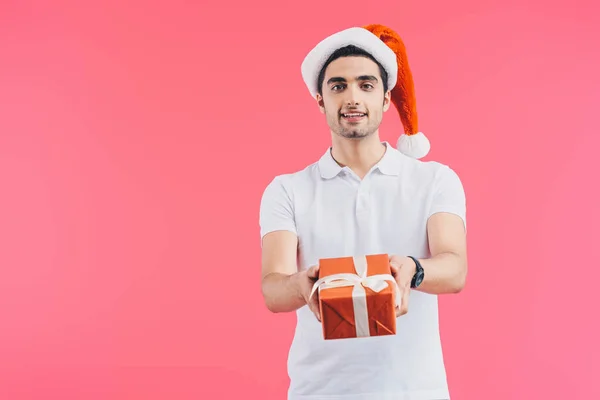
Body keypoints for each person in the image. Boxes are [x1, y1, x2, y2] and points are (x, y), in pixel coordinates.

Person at [259, 23, 468, 400]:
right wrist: (300, 284)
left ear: (387, 99)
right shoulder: (286, 190)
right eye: (338, 86)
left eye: (366, 85)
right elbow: (273, 288)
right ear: (320, 99)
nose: (352, 98)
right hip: (318, 392)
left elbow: (454, 268)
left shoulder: (435, 179)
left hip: (416, 391)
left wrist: (414, 269)